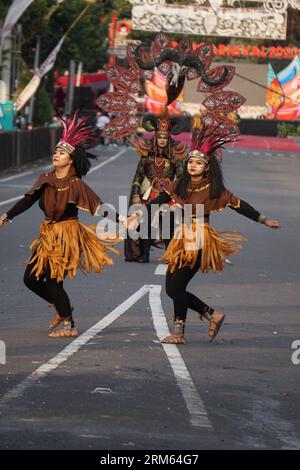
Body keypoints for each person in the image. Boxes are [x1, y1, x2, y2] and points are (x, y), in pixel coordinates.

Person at [133, 124, 281, 344]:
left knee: (176, 287)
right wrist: (138, 213)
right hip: (180, 237)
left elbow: (239, 205)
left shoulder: (213, 189)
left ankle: (180, 332)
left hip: (199, 238)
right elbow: (159, 200)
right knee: (172, 289)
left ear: (207, 167)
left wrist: (263, 220)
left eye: (198, 163)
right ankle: (212, 314)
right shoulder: (180, 184)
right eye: (191, 162)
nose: (193, 166)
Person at [0, 111, 130, 338]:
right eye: (56, 151)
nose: (56, 155)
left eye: (61, 152)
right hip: (47, 234)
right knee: (30, 279)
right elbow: (28, 199)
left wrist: (122, 220)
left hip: (66, 235)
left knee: (52, 280)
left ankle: (69, 325)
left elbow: (98, 207)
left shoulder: (76, 185)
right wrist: (6, 216)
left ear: (71, 159)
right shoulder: (46, 178)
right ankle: (63, 310)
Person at [125, 114, 186, 263]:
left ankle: (170, 253)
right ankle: (144, 254)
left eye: (165, 138)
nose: (162, 140)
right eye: (160, 137)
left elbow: (180, 176)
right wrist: (135, 195)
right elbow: (138, 176)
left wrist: (176, 195)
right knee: (144, 222)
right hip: (149, 193)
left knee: (169, 223)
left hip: (168, 195)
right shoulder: (146, 155)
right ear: (155, 137)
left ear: (169, 138)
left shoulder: (176, 155)